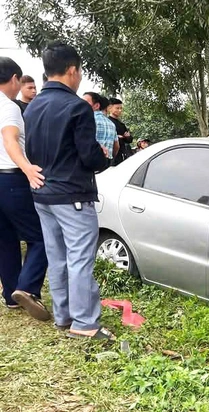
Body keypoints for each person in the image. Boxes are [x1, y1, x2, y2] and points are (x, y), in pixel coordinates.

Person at [24, 41, 114, 339]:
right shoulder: (77, 107)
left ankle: (63, 316)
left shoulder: (32, 106)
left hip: (42, 194)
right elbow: (89, 157)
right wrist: (103, 155)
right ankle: (85, 323)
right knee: (79, 259)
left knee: (57, 255)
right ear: (72, 70)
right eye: (79, 72)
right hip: (72, 195)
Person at [0, 57, 49, 318]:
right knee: (40, 236)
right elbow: (10, 140)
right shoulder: (8, 107)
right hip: (11, 179)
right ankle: (27, 288)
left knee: (5, 240)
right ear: (15, 79)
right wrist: (27, 167)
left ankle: (11, 296)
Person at [82, 92, 118, 165]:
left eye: (85, 102)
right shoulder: (112, 124)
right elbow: (116, 146)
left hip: (88, 165)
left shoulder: (86, 120)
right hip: (107, 164)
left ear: (97, 105)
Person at [108, 97, 132, 166]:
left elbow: (130, 139)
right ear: (110, 108)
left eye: (121, 108)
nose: (120, 110)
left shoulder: (121, 125)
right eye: (117, 108)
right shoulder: (107, 122)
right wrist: (117, 137)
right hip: (111, 158)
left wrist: (126, 137)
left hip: (122, 156)